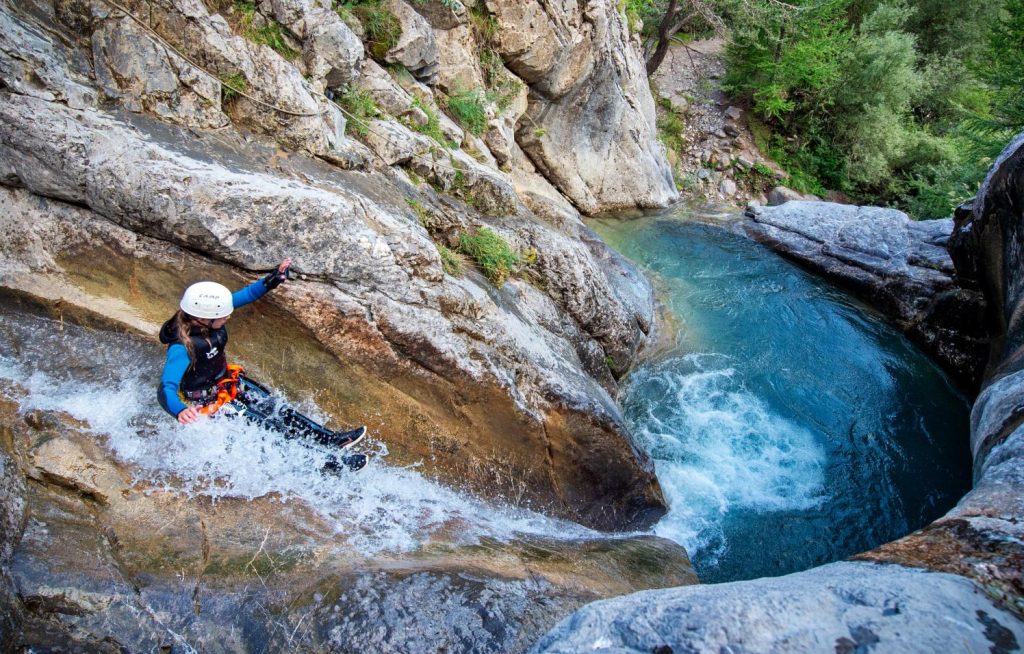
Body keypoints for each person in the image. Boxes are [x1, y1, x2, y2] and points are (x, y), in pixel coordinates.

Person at [157, 258, 366, 450]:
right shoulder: (182, 347)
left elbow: (246, 295)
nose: (229, 315)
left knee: (279, 410)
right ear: (203, 319)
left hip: (227, 383)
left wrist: (274, 279)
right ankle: (321, 462)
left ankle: (329, 440)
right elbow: (167, 387)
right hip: (207, 402)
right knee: (267, 428)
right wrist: (179, 410)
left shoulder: (206, 315)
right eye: (223, 315)